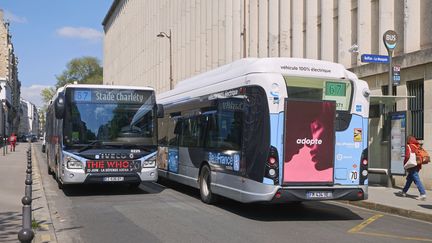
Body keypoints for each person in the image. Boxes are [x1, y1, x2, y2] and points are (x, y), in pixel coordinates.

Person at [398, 135, 427, 200]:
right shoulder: (417, 146)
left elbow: (407, 156)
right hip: (417, 165)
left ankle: (423, 194)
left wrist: (405, 164)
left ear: (408, 140)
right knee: (409, 179)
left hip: (412, 165)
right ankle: (404, 191)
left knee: (416, 179)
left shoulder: (409, 146)